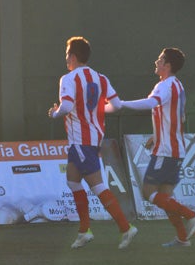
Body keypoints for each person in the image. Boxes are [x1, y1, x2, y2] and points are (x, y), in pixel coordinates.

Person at [48, 37, 137, 249]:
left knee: (97, 186)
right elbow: (116, 105)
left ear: (73, 56)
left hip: (81, 140)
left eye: (67, 54)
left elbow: (66, 107)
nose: (66, 59)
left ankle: (126, 227)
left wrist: (55, 113)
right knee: (72, 181)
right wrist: (96, 109)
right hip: (91, 139)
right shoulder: (101, 78)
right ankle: (84, 231)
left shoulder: (68, 78)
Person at [120, 48, 195, 246]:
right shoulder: (176, 85)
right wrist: (156, 135)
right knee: (165, 198)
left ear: (167, 65)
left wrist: (122, 103)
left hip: (166, 151)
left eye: (160, 59)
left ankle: (191, 214)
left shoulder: (166, 85)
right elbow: (175, 117)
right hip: (174, 149)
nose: (156, 62)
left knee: (148, 192)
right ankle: (183, 238)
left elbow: (151, 103)